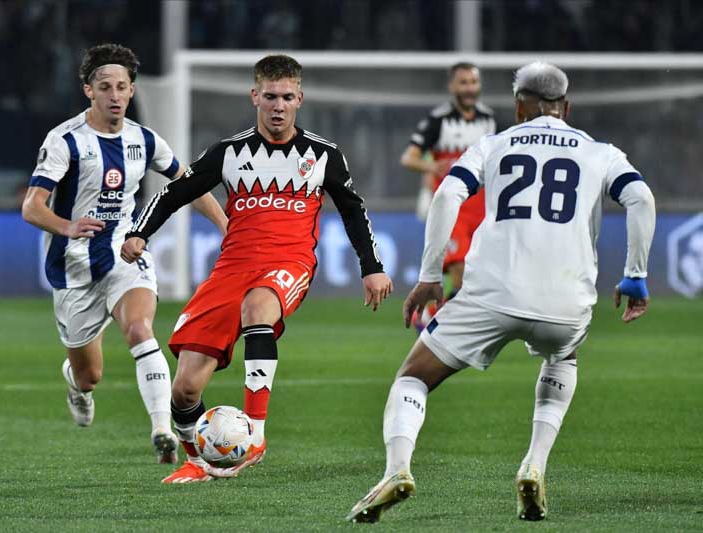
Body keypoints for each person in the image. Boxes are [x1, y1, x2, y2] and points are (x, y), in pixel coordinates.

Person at [348, 62, 655, 523]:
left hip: (489, 296)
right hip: (565, 303)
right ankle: (533, 465)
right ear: (566, 107)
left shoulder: (492, 144)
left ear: (517, 107)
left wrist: (431, 275)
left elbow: (447, 195)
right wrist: (635, 274)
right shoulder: (600, 152)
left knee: (412, 377)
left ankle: (397, 470)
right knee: (563, 358)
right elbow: (641, 199)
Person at [121, 54, 394, 484]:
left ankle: (256, 437)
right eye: (270, 96)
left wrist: (372, 266)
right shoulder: (228, 153)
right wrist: (140, 232)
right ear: (255, 97)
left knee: (257, 310)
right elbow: (175, 193)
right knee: (185, 389)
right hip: (231, 268)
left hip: (289, 262)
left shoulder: (322, 155)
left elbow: (354, 213)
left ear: (300, 98)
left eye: (287, 97)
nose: (278, 105)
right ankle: (200, 460)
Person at [21, 44, 228, 464]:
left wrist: (228, 227)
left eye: (121, 87)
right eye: (104, 87)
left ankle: (161, 431)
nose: (114, 95)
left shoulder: (145, 139)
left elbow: (187, 184)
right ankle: (75, 383)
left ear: (131, 90)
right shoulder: (65, 140)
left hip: (124, 254)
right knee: (89, 374)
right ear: (88, 91)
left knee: (139, 329)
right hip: (73, 266)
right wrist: (67, 226)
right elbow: (31, 206)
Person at [400, 62, 496, 305]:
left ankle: (431, 320)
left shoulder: (489, 119)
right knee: (461, 278)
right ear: (452, 86)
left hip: (482, 212)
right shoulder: (438, 120)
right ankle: (436, 331)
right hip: (454, 213)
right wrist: (431, 167)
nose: (469, 88)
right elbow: (408, 158)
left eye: (473, 82)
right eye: (463, 82)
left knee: (478, 284)